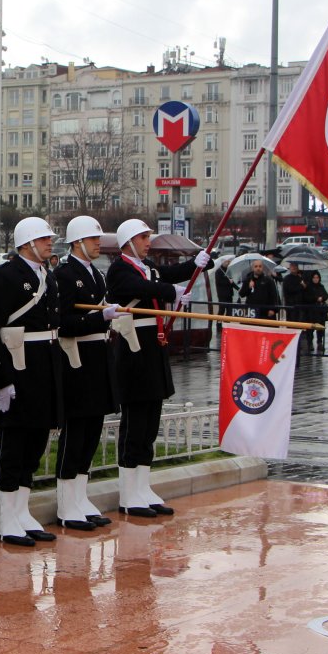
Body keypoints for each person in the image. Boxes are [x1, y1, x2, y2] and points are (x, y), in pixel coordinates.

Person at [106, 219, 211, 518]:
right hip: (133, 351)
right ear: (128, 242)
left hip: (152, 350)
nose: (147, 242)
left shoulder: (148, 266)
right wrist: (170, 292)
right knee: (135, 423)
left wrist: (198, 263)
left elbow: (169, 274)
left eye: (148, 236)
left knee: (150, 423)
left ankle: (142, 486)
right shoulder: (119, 270)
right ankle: (129, 492)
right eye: (142, 237)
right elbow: (141, 287)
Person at [0, 217, 65, 546]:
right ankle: (6, 517)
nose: (50, 243)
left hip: (44, 369)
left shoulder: (48, 275)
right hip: (18, 369)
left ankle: (21, 510)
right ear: (27, 243)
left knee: (34, 444)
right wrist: (2, 379)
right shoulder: (4, 276)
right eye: (44, 239)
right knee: (14, 446)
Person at [54, 215, 126, 530]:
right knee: (76, 432)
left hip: (98, 358)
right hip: (77, 360)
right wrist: (101, 318)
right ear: (78, 242)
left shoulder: (96, 274)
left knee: (92, 431)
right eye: (93, 239)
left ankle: (80, 496)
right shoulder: (65, 274)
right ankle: (66, 502)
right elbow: (64, 322)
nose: (98, 244)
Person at [282, 262, 308, 351]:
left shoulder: (300, 278)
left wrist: (304, 286)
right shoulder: (287, 279)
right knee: (291, 325)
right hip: (291, 306)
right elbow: (290, 290)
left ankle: (298, 344)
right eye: (292, 266)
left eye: (295, 266)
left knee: (299, 326)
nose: (293, 268)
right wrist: (301, 286)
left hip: (300, 305)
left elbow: (304, 291)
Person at [304, 271, 328, 352]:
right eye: (314, 278)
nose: (316, 279)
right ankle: (310, 343)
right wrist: (316, 298)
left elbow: (326, 295)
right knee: (310, 329)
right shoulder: (308, 287)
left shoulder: (321, 286)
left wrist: (322, 298)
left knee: (320, 328)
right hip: (311, 312)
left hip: (320, 312)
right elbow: (306, 297)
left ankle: (319, 343)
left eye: (317, 277)